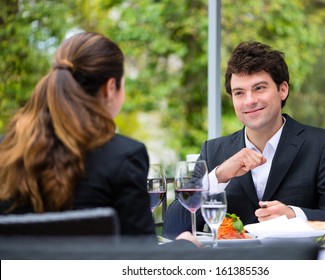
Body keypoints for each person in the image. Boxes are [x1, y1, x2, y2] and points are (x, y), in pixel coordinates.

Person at [0, 32, 197, 245]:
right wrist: (185, 245)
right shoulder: (124, 156)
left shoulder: (6, 150)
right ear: (110, 88)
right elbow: (141, 264)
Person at [163, 41, 325, 239]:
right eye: (239, 93)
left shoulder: (322, 145)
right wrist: (218, 176)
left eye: (259, 88)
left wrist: (294, 216)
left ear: (283, 89)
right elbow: (173, 229)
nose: (249, 100)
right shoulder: (213, 150)